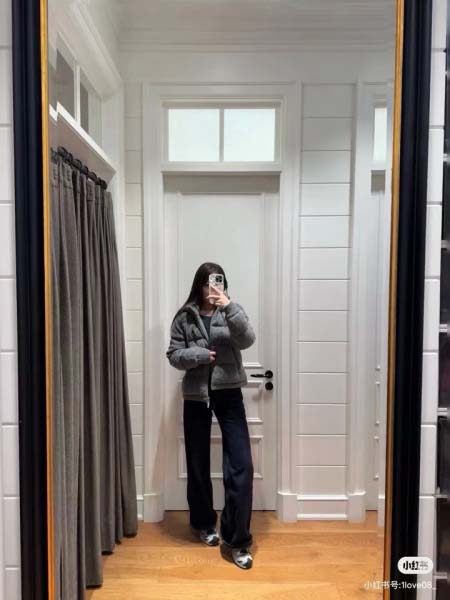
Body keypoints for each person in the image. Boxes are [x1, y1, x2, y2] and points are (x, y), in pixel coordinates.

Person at [166, 262, 256, 569]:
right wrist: (200, 355)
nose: (211, 288)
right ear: (198, 285)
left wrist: (228, 306)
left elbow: (247, 339)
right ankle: (204, 523)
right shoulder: (185, 316)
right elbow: (173, 355)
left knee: (241, 465)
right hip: (196, 396)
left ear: (223, 284)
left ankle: (238, 539)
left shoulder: (231, 311)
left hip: (229, 393)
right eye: (206, 283)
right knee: (197, 462)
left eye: (217, 282)